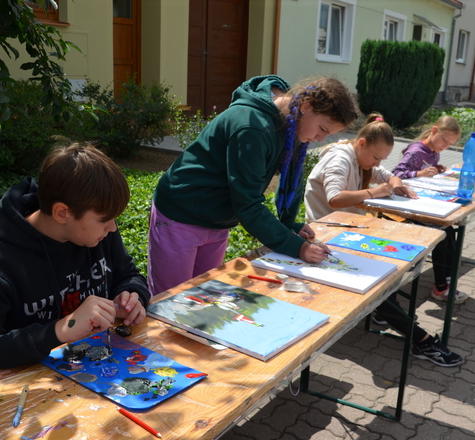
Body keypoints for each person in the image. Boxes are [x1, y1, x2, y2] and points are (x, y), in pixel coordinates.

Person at [0, 143, 150, 385]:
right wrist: (60, 330)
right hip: (31, 393)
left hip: (94, 375)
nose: (113, 227)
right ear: (62, 213)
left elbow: (128, 274)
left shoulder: (96, 234)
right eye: (104, 219)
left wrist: (131, 294)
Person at [147, 75, 359, 295]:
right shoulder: (253, 127)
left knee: (202, 296)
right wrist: (297, 247)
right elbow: (248, 205)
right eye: (323, 129)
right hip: (180, 216)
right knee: (169, 300)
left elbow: (292, 176)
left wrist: (289, 224)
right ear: (306, 106)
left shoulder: (295, 120)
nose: (321, 139)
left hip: (217, 220)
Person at [304, 113, 462, 367]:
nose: (377, 163)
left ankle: (386, 312)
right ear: (362, 143)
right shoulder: (340, 158)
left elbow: (390, 175)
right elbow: (334, 198)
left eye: (381, 159)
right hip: (325, 236)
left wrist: (397, 184)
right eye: (376, 157)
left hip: (349, 232)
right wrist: (372, 191)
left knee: (395, 264)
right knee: (378, 282)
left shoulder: (364, 158)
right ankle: (421, 340)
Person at [391, 115, 469, 304]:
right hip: (407, 206)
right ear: (434, 131)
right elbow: (395, 174)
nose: (445, 146)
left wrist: (436, 170)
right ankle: (441, 287)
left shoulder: (434, 151)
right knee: (443, 234)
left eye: (450, 144)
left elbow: (426, 174)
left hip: (422, 203)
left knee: (450, 232)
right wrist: (419, 173)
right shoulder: (416, 151)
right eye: (444, 140)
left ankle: (446, 282)